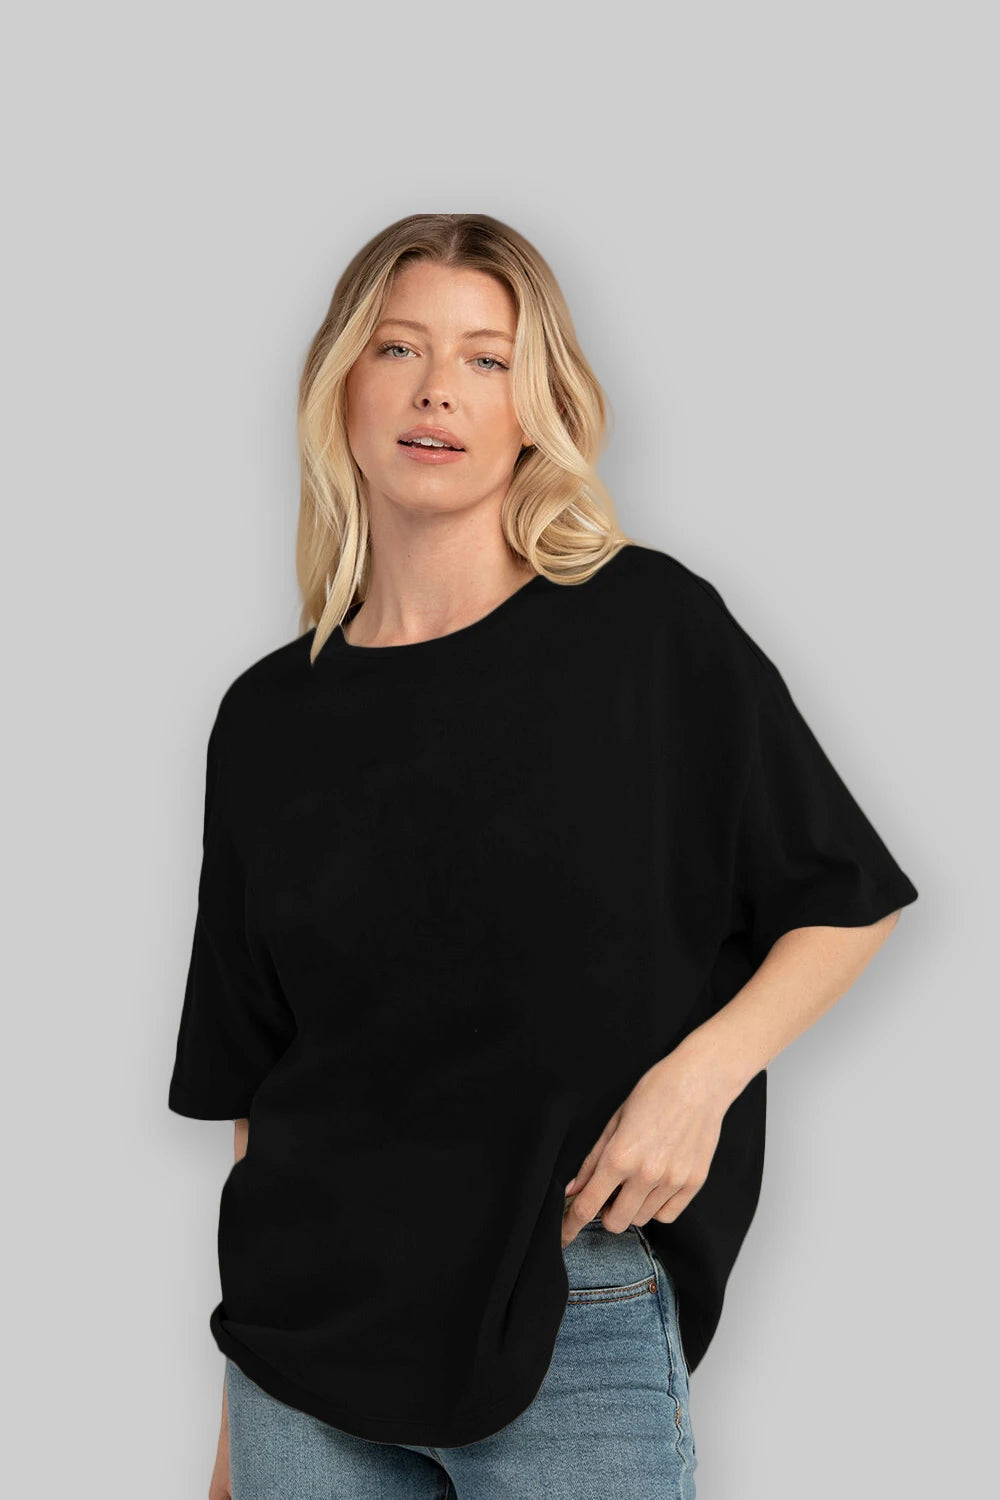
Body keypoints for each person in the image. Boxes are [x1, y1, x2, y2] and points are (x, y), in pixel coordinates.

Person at [167, 213, 919, 1500]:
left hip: (570, 1304)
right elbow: (259, 1080)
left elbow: (844, 897)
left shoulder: (647, 632)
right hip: (298, 1350)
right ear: (340, 384)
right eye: (397, 348)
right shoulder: (267, 718)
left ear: (537, 407)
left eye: (487, 358)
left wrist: (698, 1080)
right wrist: (235, 1423)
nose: (438, 390)